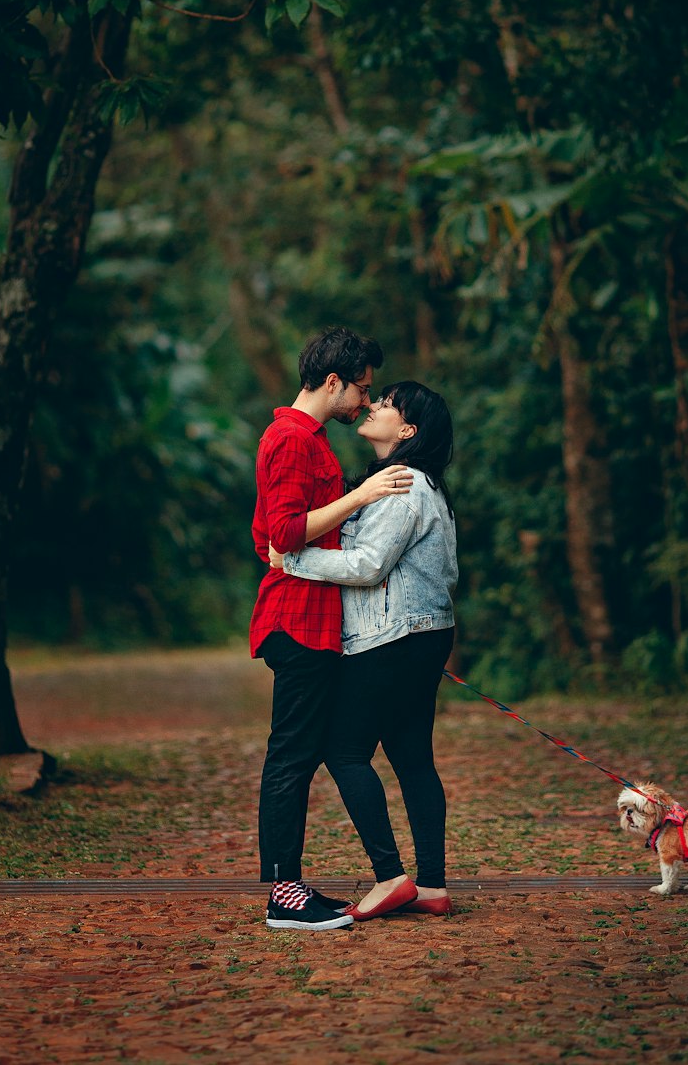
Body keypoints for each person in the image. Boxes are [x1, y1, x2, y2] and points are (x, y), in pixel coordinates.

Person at [269, 380, 457, 921]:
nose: (372, 406)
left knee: (343, 750)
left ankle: (391, 877)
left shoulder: (403, 485)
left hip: (391, 639)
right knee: (411, 756)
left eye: (386, 403)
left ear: (407, 431)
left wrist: (291, 561)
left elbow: (367, 565)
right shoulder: (416, 485)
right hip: (419, 635)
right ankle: (433, 887)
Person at [251, 327, 415, 932]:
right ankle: (282, 893)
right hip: (296, 619)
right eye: (361, 390)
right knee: (291, 756)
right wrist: (364, 493)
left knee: (303, 752)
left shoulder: (303, 438)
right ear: (332, 382)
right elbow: (285, 535)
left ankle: (290, 886)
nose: (364, 403)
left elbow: (266, 534)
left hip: (313, 620)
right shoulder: (292, 439)